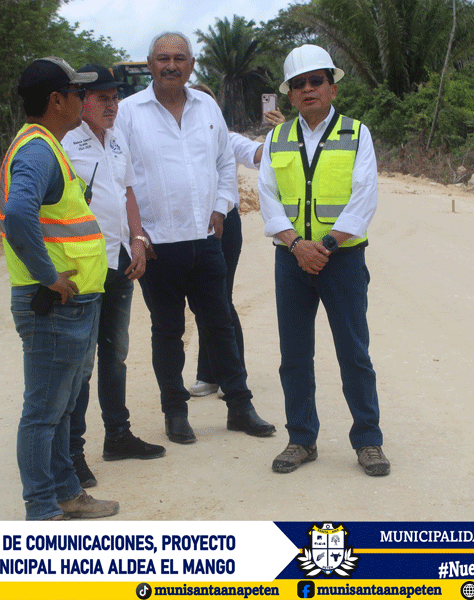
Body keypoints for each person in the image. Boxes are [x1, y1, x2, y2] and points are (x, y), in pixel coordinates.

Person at [117, 31, 275, 444]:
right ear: (150, 64)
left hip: (205, 241)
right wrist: (136, 234)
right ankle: (175, 413)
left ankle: (240, 407)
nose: (171, 65)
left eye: (179, 58)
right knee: (168, 331)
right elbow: (121, 178)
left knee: (219, 323)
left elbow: (224, 162)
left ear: (191, 64)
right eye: (163, 58)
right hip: (157, 245)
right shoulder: (129, 113)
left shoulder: (207, 107)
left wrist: (220, 208)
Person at [258, 44, 389, 477]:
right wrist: (297, 244)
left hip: (342, 260)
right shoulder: (276, 138)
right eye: (299, 84)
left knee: (354, 353)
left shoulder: (357, 134)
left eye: (317, 81)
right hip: (291, 260)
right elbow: (268, 197)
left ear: (333, 87)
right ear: (290, 94)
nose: (308, 88)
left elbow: (364, 195)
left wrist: (326, 245)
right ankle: (301, 439)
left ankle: (368, 440)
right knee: (294, 355)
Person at [0, 56, 119, 520]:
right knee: (44, 413)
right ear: (56, 100)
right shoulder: (37, 151)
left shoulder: (48, 145)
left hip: (73, 303)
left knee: (63, 408)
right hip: (55, 305)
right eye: (76, 93)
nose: (82, 99)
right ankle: (41, 508)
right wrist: (48, 275)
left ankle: (68, 494)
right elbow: (18, 214)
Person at [61, 64, 165, 488]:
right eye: (102, 98)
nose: (112, 105)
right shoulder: (65, 142)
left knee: (115, 352)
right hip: (84, 265)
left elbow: (127, 192)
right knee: (80, 362)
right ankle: (72, 452)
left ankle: (118, 435)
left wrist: (138, 239)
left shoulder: (117, 138)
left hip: (119, 259)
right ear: (81, 100)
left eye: (115, 97)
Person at [186, 83, 284, 399]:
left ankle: (232, 375)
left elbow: (260, 155)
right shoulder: (176, 141)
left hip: (224, 226)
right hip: (187, 229)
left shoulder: (228, 139)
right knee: (200, 302)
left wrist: (279, 133)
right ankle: (210, 374)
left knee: (219, 299)